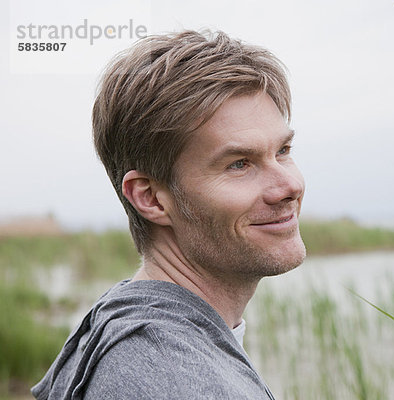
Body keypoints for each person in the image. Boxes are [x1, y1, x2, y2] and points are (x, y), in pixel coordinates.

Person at [32, 29, 306, 400]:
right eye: (239, 164)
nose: (289, 185)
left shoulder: (133, 331)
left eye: (283, 150)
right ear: (151, 199)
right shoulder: (167, 376)